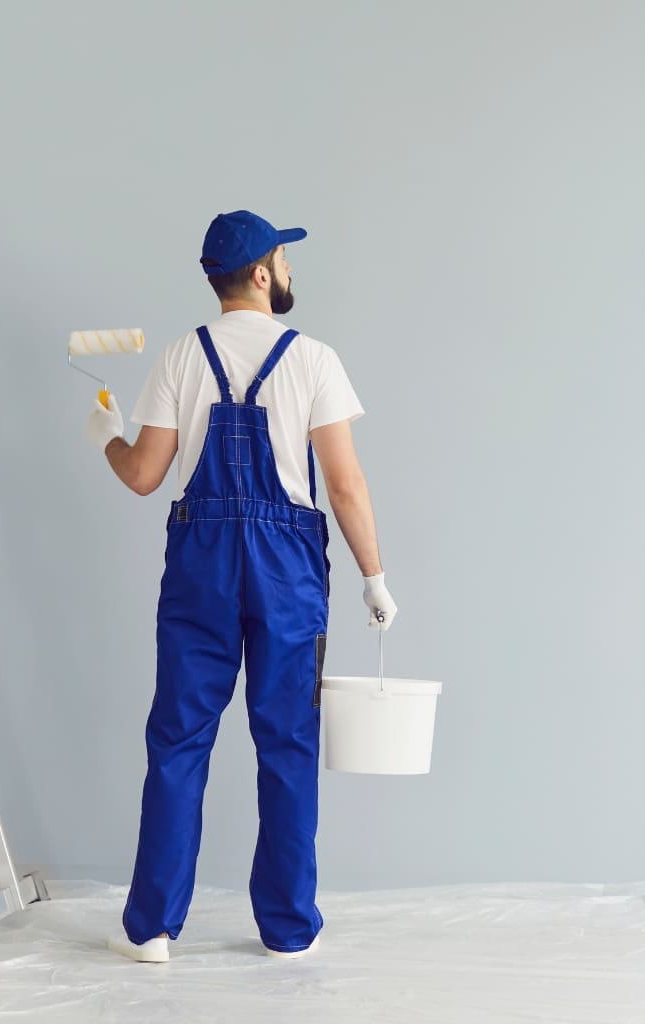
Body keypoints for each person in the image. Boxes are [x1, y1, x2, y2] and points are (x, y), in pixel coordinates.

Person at [85, 210, 398, 963]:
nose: (289, 269)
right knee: (286, 741)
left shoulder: (179, 357)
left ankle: (153, 928)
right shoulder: (315, 359)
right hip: (287, 565)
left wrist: (104, 435)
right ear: (261, 273)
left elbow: (143, 476)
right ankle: (288, 930)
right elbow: (346, 486)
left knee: (179, 740)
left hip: (201, 558)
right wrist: (375, 578)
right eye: (284, 259)